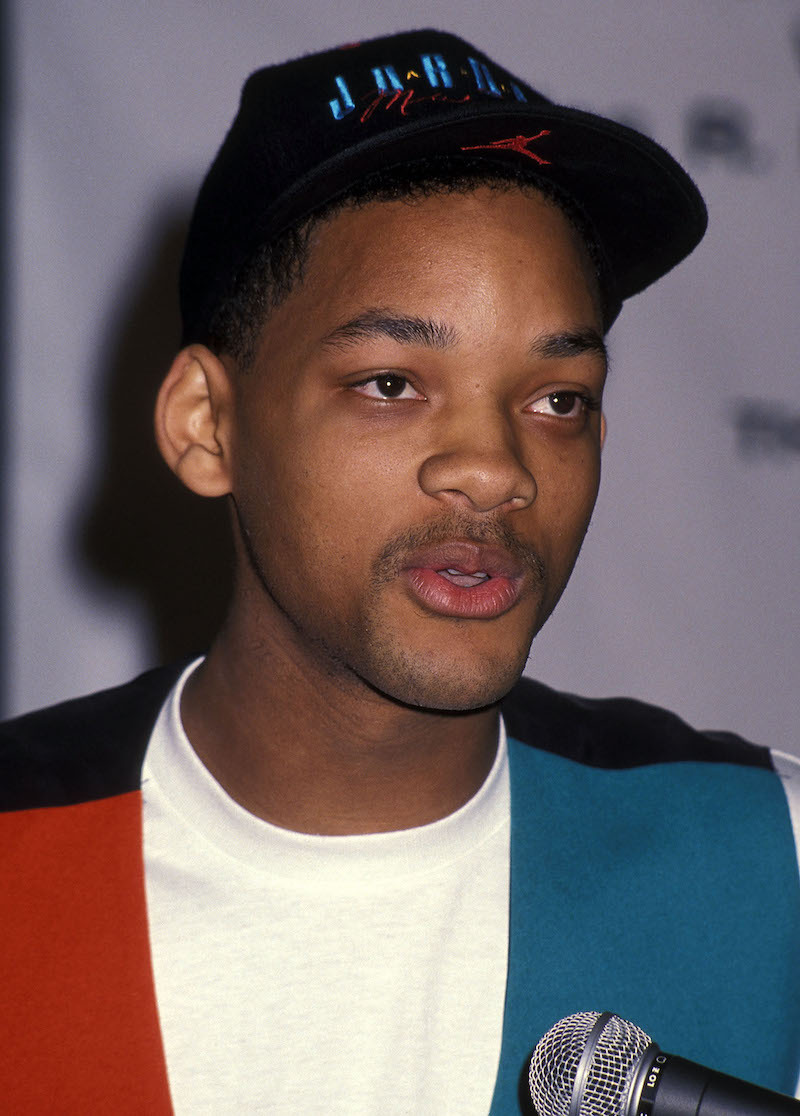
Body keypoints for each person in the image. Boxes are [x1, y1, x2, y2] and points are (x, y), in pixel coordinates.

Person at [1, 29, 799, 1115]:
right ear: (206, 425)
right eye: (388, 383)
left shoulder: (769, 860)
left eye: (557, 398)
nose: (493, 469)